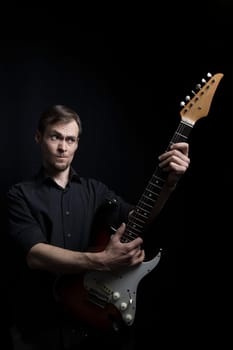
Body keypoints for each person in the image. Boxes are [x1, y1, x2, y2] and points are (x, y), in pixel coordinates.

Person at [6, 104, 190, 350]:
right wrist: (102, 260)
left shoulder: (96, 190)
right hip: (39, 330)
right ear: (39, 137)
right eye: (55, 137)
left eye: (70, 139)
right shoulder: (19, 195)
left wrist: (168, 185)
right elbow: (35, 255)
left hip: (92, 328)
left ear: (77, 143)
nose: (63, 147)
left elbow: (139, 218)